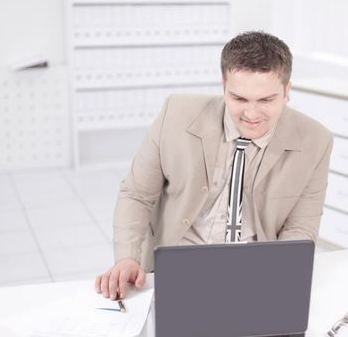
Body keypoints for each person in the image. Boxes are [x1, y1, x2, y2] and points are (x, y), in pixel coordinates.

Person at [95, 31, 333, 300]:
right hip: (177, 264)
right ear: (223, 86)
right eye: (239, 98)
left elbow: (300, 227)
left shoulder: (316, 141)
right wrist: (127, 257)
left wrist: (280, 276)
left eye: (266, 100)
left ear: (287, 91)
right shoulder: (175, 113)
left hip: (257, 273)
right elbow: (137, 194)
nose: (252, 115)